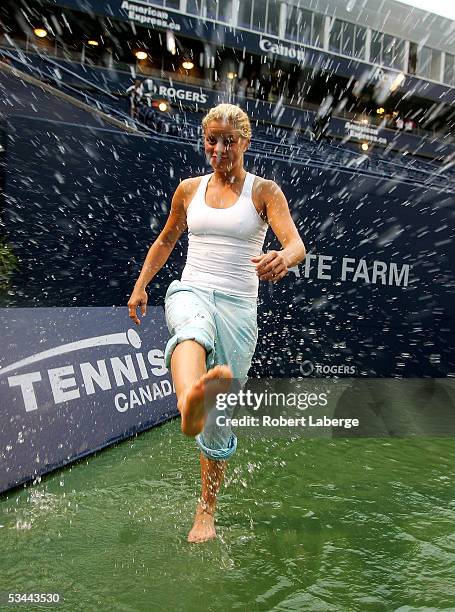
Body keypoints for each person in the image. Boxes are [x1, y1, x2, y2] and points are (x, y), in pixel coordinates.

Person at [127, 103, 306, 543]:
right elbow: (167, 238)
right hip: (194, 288)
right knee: (190, 331)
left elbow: (295, 243)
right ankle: (189, 399)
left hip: (239, 308)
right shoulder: (188, 190)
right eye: (212, 139)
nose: (219, 149)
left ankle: (205, 510)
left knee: (220, 418)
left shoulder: (265, 192)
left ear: (245, 143)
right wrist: (141, 283)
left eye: (229, 140)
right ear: (204, 140)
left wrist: (282, 258)